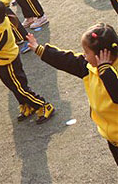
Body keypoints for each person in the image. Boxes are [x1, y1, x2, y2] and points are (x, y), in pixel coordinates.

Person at [26, 23, 118, 164]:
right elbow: (67, 60)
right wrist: (40, 50)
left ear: (101, 54)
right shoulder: (89, 67)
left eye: (87, 53)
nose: (85, 57)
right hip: (112, 138)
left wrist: (106, 72)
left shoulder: (110, 71)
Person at [0, 0, 55, 124]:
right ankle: (26, 105)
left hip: (9, 63)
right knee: (12, 86)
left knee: (20, 88)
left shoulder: (0, 32)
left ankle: (43, 105)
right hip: (3, 62)